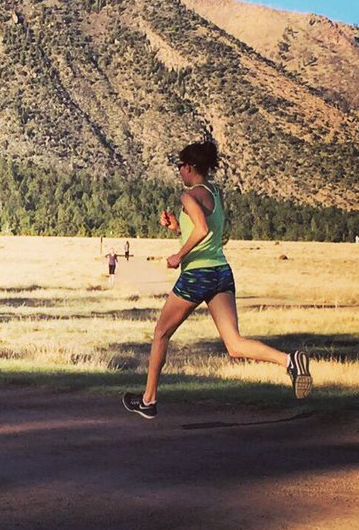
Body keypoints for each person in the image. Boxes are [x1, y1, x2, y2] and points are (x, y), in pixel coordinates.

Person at [123, 140, 311, 419]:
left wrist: (179, 255)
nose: (179, 171)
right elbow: (210, 233)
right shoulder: (215, 193)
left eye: (180, 166)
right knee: (234, 344)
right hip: (221, 272)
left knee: (161, 333)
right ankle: (288, 361)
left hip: (197, 274)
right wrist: (176, 227)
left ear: (189, 167)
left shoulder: (188, 196)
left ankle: (148, 400)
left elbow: (201, 230)